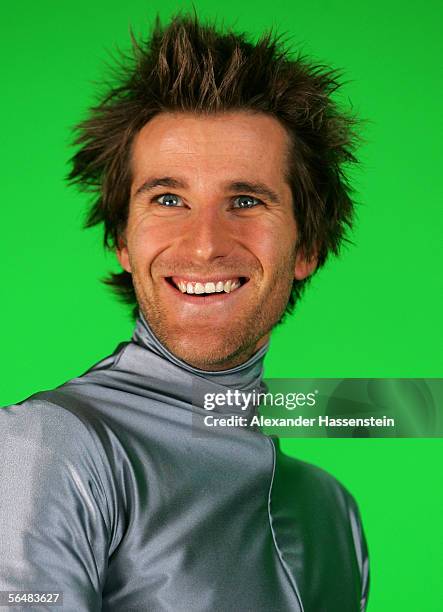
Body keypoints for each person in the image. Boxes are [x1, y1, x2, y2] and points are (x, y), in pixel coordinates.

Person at [0, 14, 369, 611]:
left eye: (246, 200)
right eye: (168, 199)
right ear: (123, 241)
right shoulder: (48, 447)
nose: (204, 244)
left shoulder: (331, 511)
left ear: (307, 248)